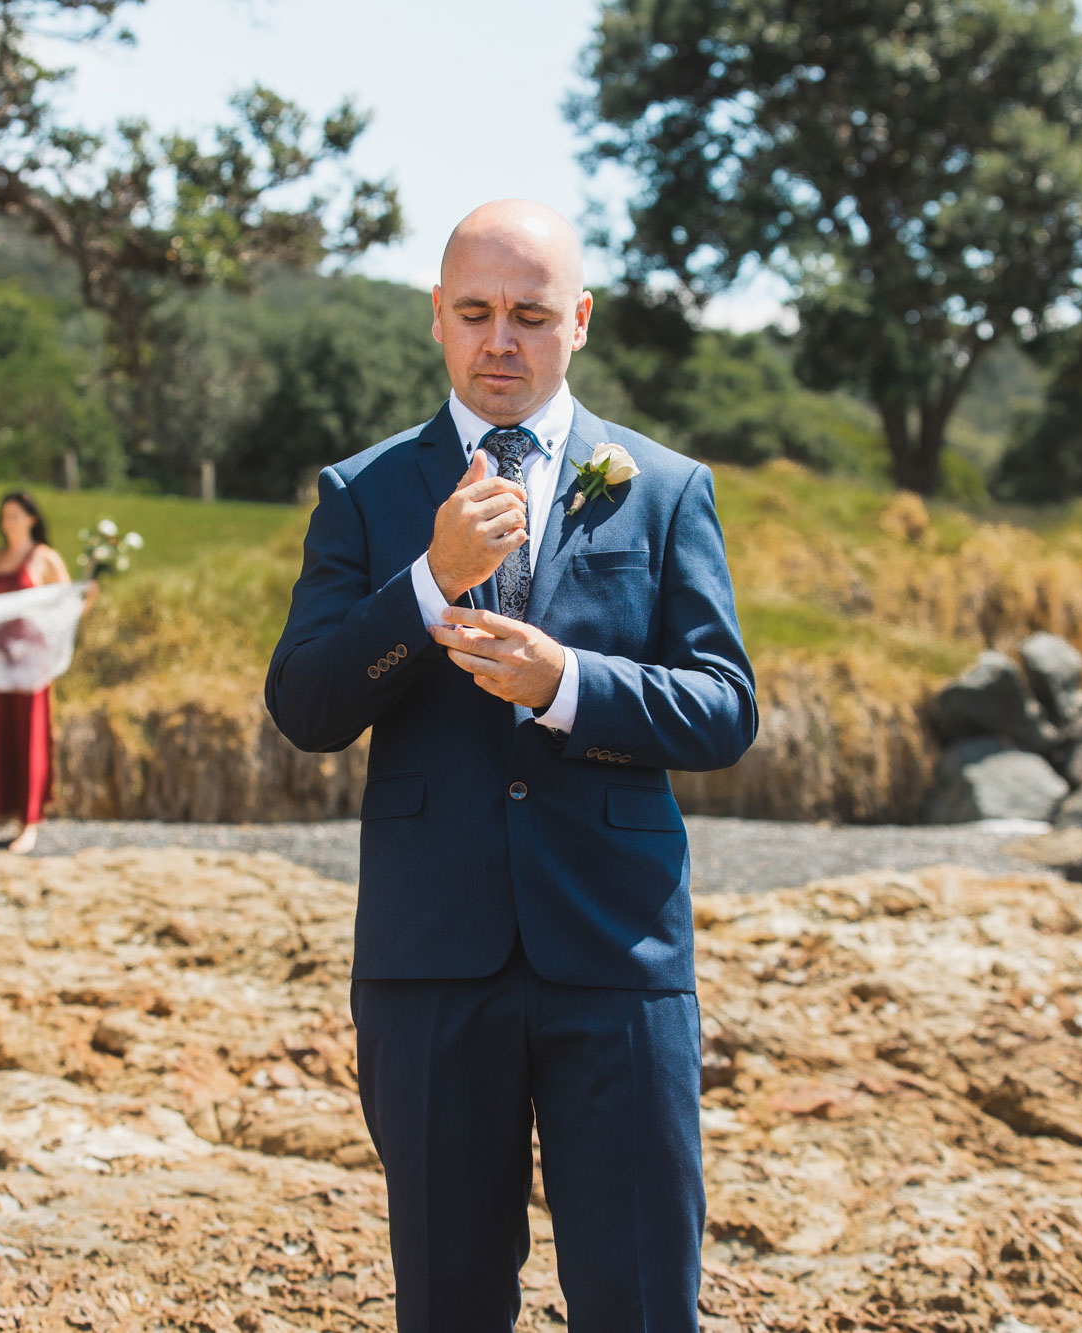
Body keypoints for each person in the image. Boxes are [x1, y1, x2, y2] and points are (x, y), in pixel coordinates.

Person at [264, 200, 757, 1329]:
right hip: (430, 958)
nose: (501, 341)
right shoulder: (364, 491)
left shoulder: (666, 486)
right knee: (446, 1300)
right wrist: (426, 581)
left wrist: (566, 685)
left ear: (576, 322)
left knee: (639, 1298)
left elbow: (723, 708)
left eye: (529, 315)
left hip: (619, 952)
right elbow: (304, 706)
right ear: (435, 318)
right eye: (476, 312)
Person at [0, 491, 77, 855]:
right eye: (4, 516)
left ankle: (29, 821)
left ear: (32, 519)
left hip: (29, 663)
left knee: (28, 735)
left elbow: (69, 603)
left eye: (15, 516)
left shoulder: (45, 558)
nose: (9, 522)